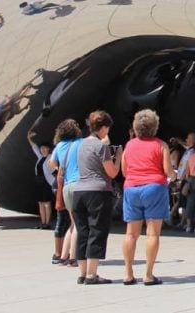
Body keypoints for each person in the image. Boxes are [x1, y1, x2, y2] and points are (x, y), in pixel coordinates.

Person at [121, 109, 174, 285]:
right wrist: (174, 176)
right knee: (152, 234)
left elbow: (124, 170)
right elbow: (167, 170)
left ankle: (128, 274)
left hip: (132, 187)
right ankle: (148, 275)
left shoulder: (129, 145)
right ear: (154, 126)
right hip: (154, 187)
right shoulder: (161, 145)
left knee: (131, 233)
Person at [73, 110, 121, 285]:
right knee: (97, 231)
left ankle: (83, 273)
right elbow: (112, 172)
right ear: (104, 127)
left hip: (79, 191)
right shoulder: (101, 147)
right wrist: (118, 159)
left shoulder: (80, 145)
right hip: (98, 192)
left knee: (83, 232)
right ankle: (92, 274)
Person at [50, 119, 82, 266]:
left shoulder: (59, 146)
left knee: (71, 223)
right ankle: (74, 257)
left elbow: (51, 162)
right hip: (79, 184)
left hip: (66, 186)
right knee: (78, 224)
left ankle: (63, 256)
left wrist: (59, 168)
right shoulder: (80, 143)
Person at [27, 131, 55, 228]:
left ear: (48, 149)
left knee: (47, 203)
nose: (42, 150)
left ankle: (47, 223)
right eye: (42, 148)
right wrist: (29, 138)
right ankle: (42, 222)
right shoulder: (40, 158)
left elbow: (54, 168)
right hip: (39, 182)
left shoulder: (51, 157)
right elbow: (34, 147)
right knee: (41, 203)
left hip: (47, 182)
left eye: (45, 148)